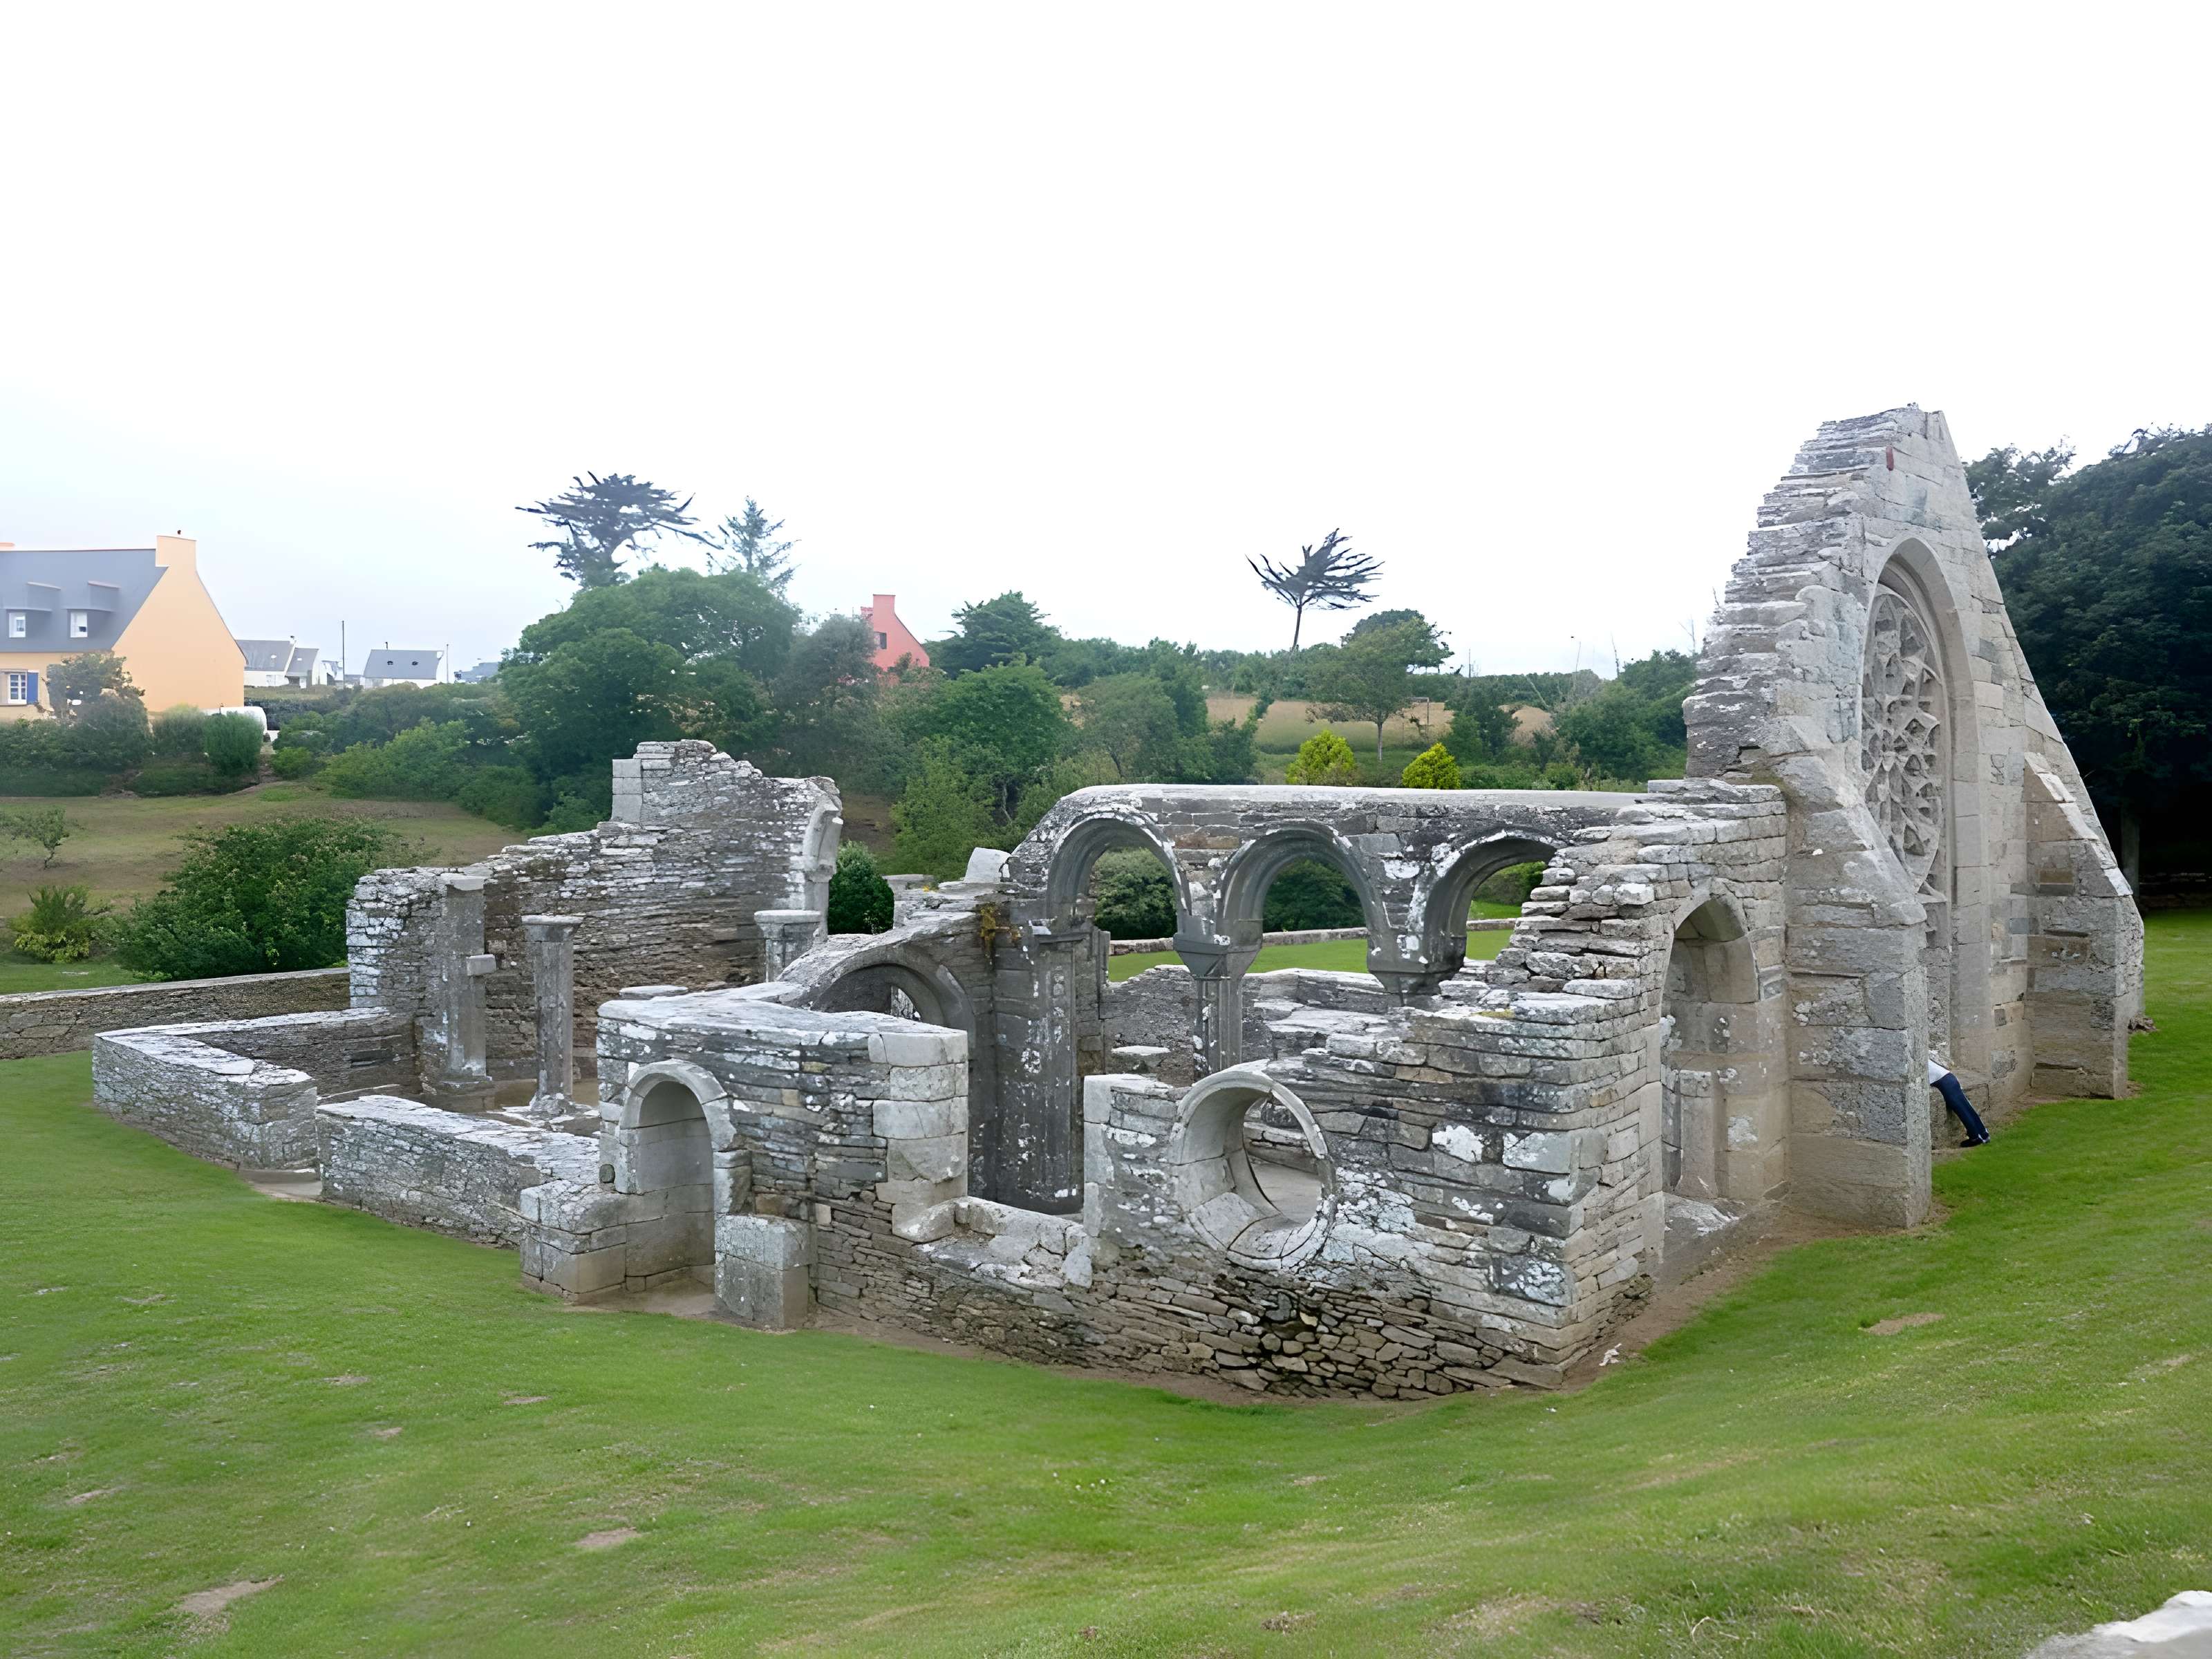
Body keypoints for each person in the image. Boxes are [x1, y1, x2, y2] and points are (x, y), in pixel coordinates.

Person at [1928, 1053, 1990, 1147]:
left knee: (1963, 1110)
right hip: (1947, 1079)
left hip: (1946, 1082)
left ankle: (1978, 1137)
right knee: (1965, 1108)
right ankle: (1982, 1135)